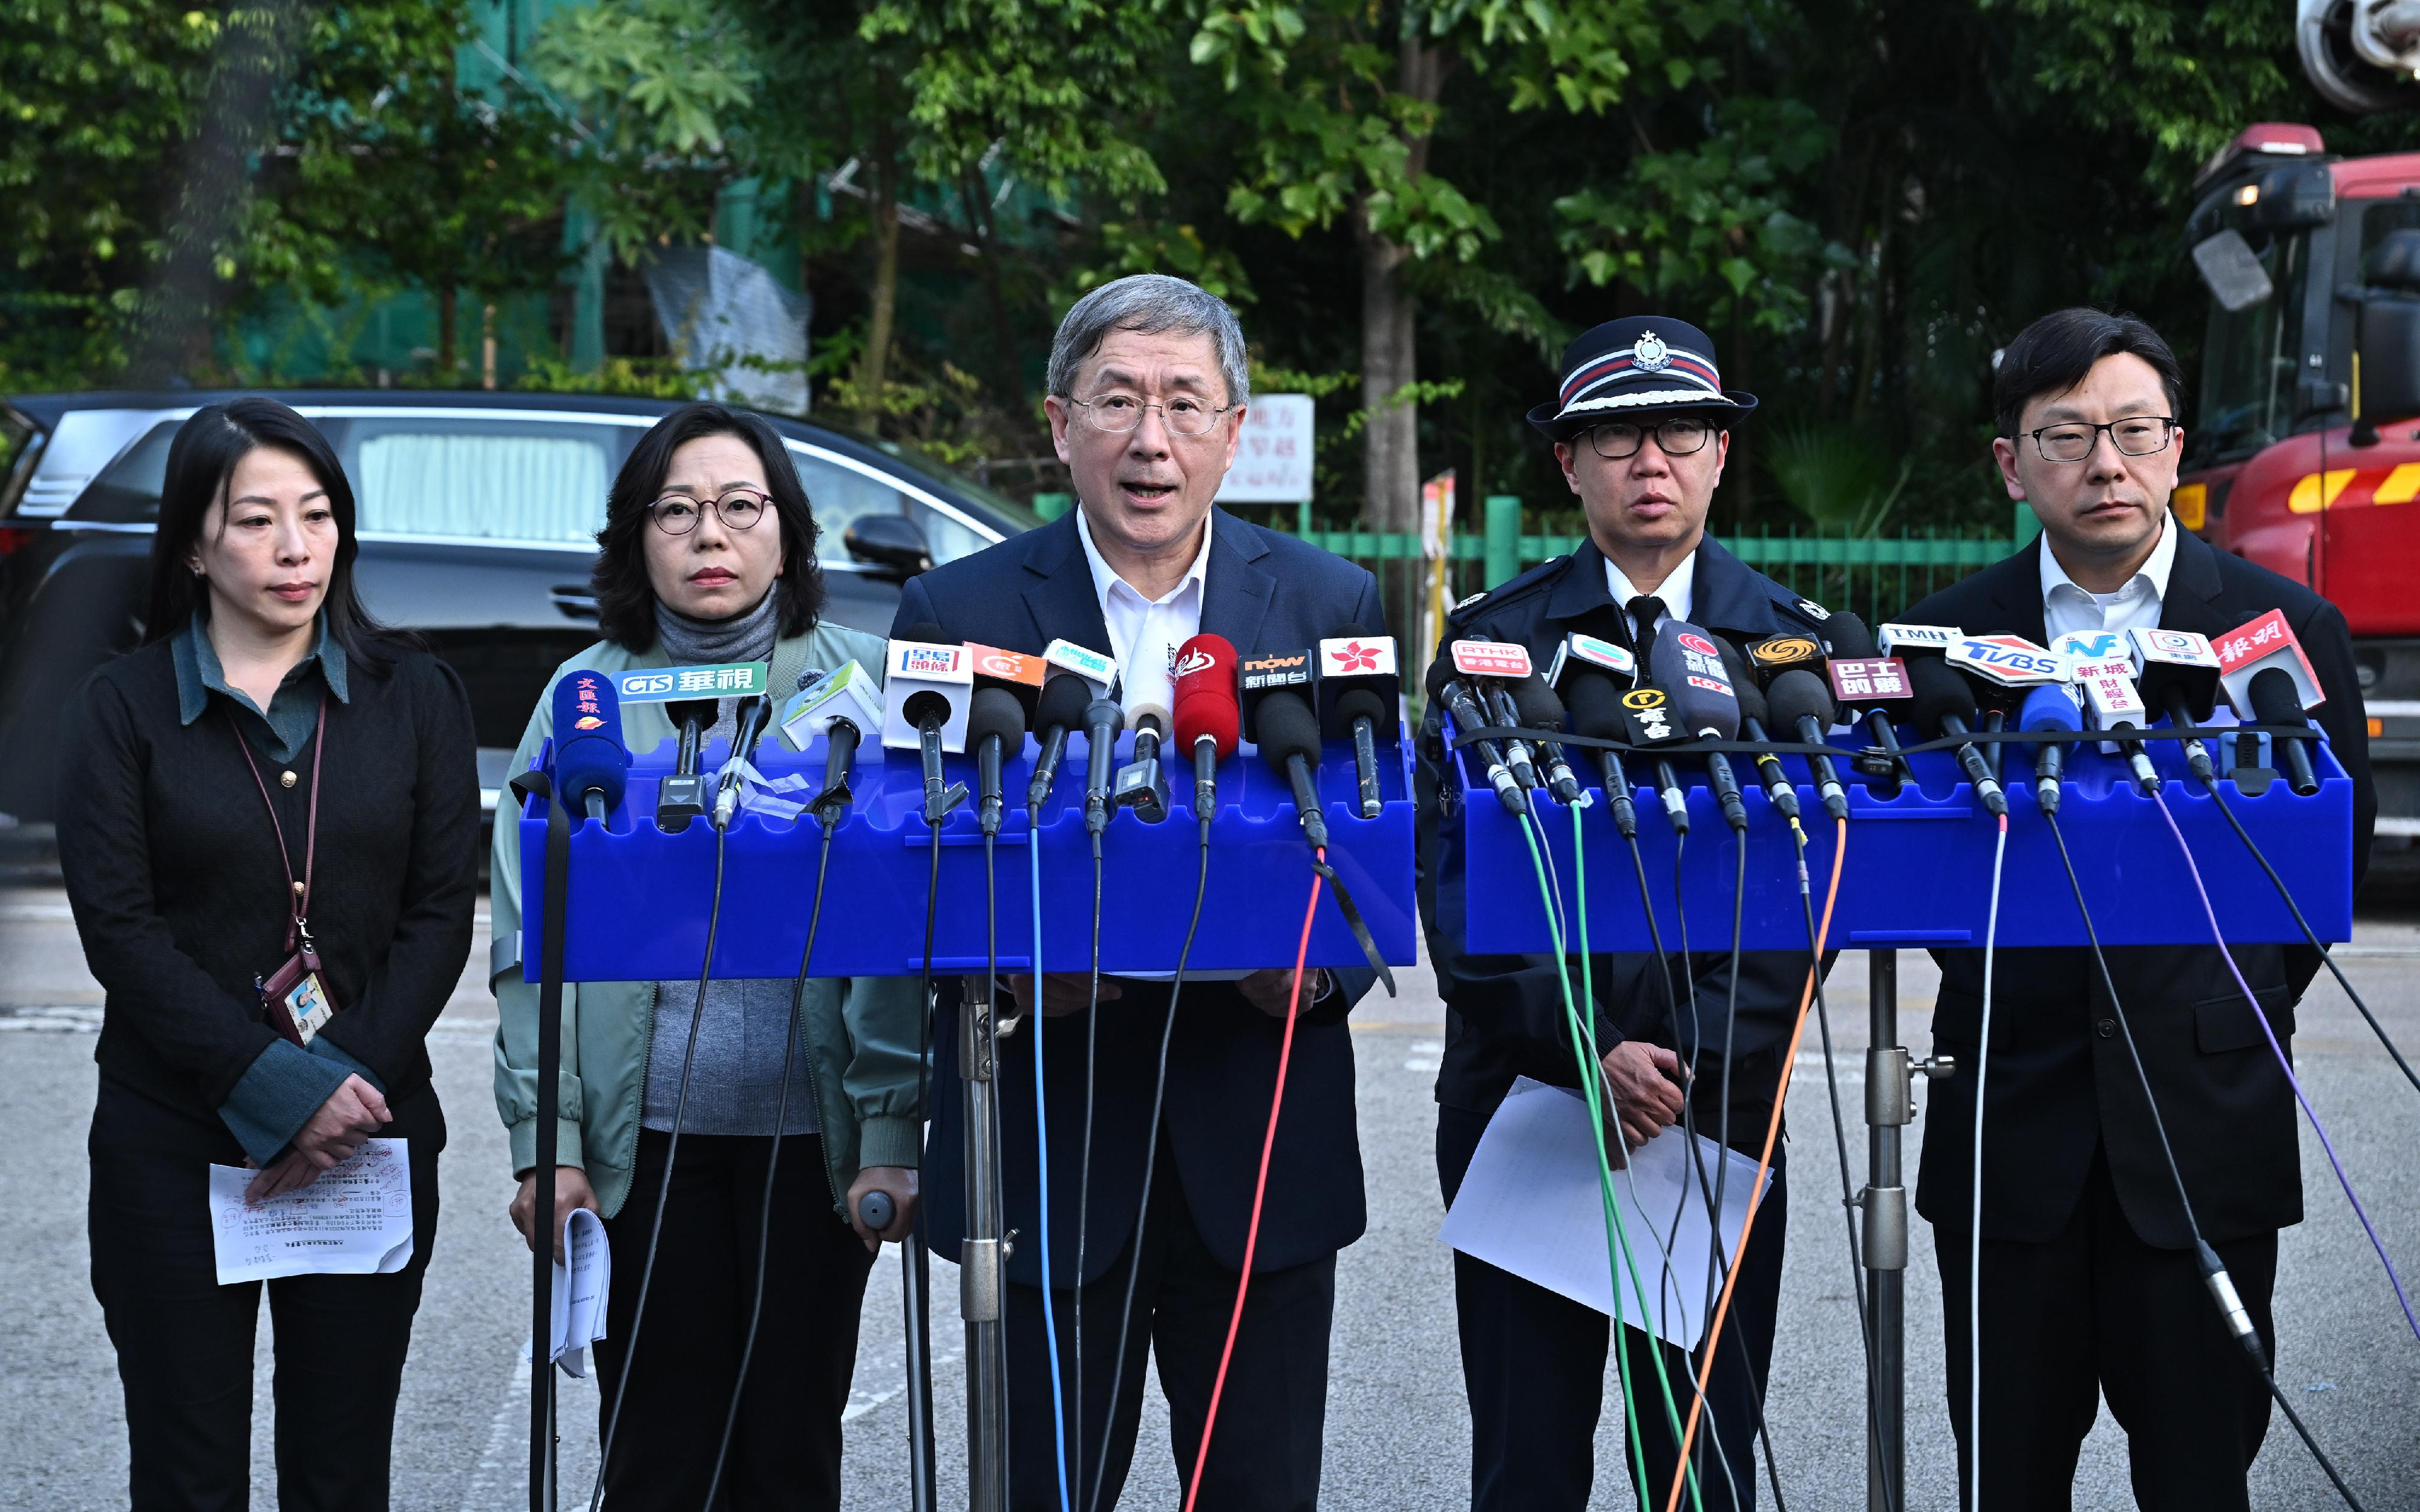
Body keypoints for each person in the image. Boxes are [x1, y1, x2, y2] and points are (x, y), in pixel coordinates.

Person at [893, 273, 1384, 1512]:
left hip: (1259, 1136)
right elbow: (913, 861)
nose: (1148, 438)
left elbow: (1384, 832)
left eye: (1182, 402)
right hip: (1049, 1141)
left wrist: (1325, 963)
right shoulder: (954, 610)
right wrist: (1004, 972)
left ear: (1233, 428)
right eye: (1116, 400)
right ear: (1060, 423)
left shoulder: (1330, 605)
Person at [1905, 307, 2374, 1512]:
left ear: (2174, 446)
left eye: (2129, 429)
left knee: (2200, 1475)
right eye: (2063, 435)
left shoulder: (2280, 627)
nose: (2102, 462)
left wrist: (2212, 999)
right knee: (2003, 1476)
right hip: (2009, 1128)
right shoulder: (1950, 642)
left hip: (2203, 1121)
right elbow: (1919, 868)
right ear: (2010, 463)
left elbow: (2324, 872)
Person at [1416, 315, 1831, 1512]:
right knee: (1526, 1462)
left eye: (1678, 431)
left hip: (1715, 1114)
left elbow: (1811, 889)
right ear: (1566, 461)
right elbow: (1453, 888)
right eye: (1612, 435)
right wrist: (1589, 1047)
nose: (1648, 459)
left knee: (1697, 1471)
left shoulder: (1790, 646)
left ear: (1717, 453)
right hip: (1531, 1106)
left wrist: (1682, 1059)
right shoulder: (1490, 644)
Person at [489, 401, 923, 1510]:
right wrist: (549, 1138)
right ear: (638, 536)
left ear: (788, 532)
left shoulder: (864, 688)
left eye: (740, 507)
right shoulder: (580, 700)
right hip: (647, 1148)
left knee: (788, 1457)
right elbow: (526, 943)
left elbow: (897, 936)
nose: (709, 536)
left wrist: (888, 1134)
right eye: (675, 510)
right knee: (653, 1460)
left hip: (808, 1145)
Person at [56, 397, 478, 1511]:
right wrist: (276, 1088)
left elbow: (439, 915)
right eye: (255, 520)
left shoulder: (415, 696)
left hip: (368, 1138)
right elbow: (121, 930)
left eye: (318, 514)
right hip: (174, 1140)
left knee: (341, 1469)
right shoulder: (122, 707)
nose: (296, 548)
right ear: (193, 543)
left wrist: (343, 1089)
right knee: (189, 1469)